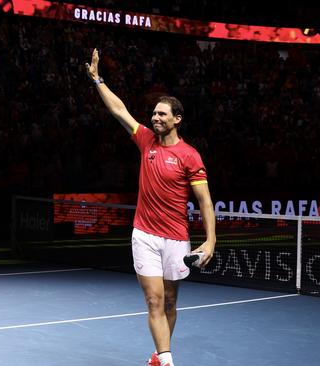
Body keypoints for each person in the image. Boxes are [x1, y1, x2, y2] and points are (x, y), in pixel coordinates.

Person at [84, 48, 216, 366]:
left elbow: (205, 202)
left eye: (161, 114)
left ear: (176, 120)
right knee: (154, 299)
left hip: (176, 238)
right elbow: (120, 111)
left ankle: (159, 355)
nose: (155, 118)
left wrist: (211, 239)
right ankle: (168, 361)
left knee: (170, 301)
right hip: (144, 235)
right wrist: (98, 80)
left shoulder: (190, 156)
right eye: (154, 114)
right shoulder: (145, 140)